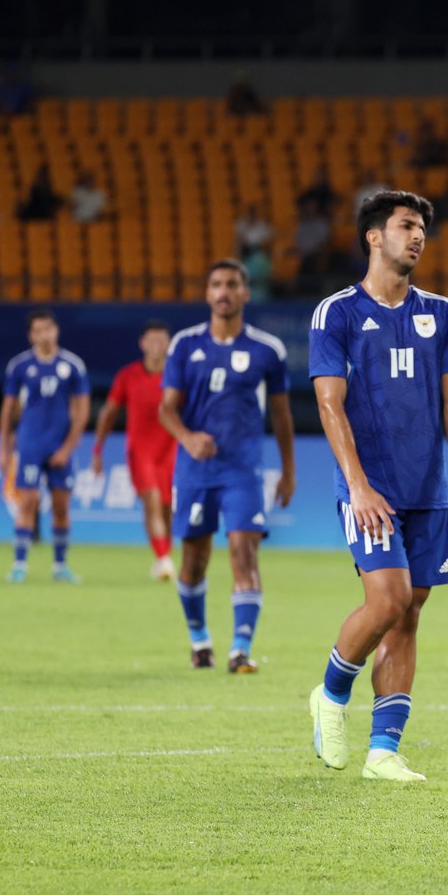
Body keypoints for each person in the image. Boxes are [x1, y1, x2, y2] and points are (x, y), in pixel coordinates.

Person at [307, 191, 448, 783]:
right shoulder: (337, 313)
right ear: (374, 236)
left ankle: (383, 750)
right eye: (406, 225)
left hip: (428, 489)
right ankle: (331, 694)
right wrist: (357, 486)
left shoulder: (445, 314)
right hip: (370, 488)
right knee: (387, 600)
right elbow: (329, 405)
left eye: (422, 227)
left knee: (410, 612)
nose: (418, 236)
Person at [158, 259, 296, 672]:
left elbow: (282, 415)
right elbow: (166, 409)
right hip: (195, 471)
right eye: (217, 284)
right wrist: (188, 438)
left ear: (245, 293)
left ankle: (240, 650)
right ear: (207, 293)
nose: (224, 291)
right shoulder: (184, 345)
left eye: (232, 284)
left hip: (243, 470)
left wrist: (288, 471)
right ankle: (200, 640)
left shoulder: (267, 350)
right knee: (193, 561)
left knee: (243, 550)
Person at [0, 309, 89, 583]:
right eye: (38, 331)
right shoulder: (19, 366)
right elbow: (8, 408)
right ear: (31, 335)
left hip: (59, 446)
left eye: (48, 329)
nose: (44, 335)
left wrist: (67, 448)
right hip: (30, 444)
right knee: (27, 502)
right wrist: (4, 448)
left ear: (56, 330)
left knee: (61, 507)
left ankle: (60, 566)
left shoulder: (72, 365)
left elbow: (82, 411)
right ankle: (19, 565)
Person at [91, 320, 178, 580]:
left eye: (162, 340)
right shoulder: (128, 376)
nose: (157, 345)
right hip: (140, 451)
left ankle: (164, 553)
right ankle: (162, 558)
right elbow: (109, 413)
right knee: (152, 501)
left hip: (171, 450)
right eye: (152, 340)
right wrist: (98, 450)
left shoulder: (178, 375)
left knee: (167, 507)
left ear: (169, 344)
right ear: (142, 344)